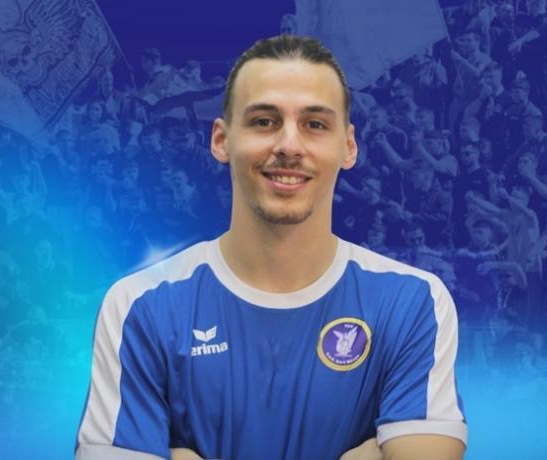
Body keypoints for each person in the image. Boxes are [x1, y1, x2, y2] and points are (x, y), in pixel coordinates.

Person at [76, 35, 466, 460]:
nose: (289, 146)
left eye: (315, 124)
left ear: (348, 146)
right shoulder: (140, 305)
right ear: (221, 140)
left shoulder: (413, 301)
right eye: (264, 121)